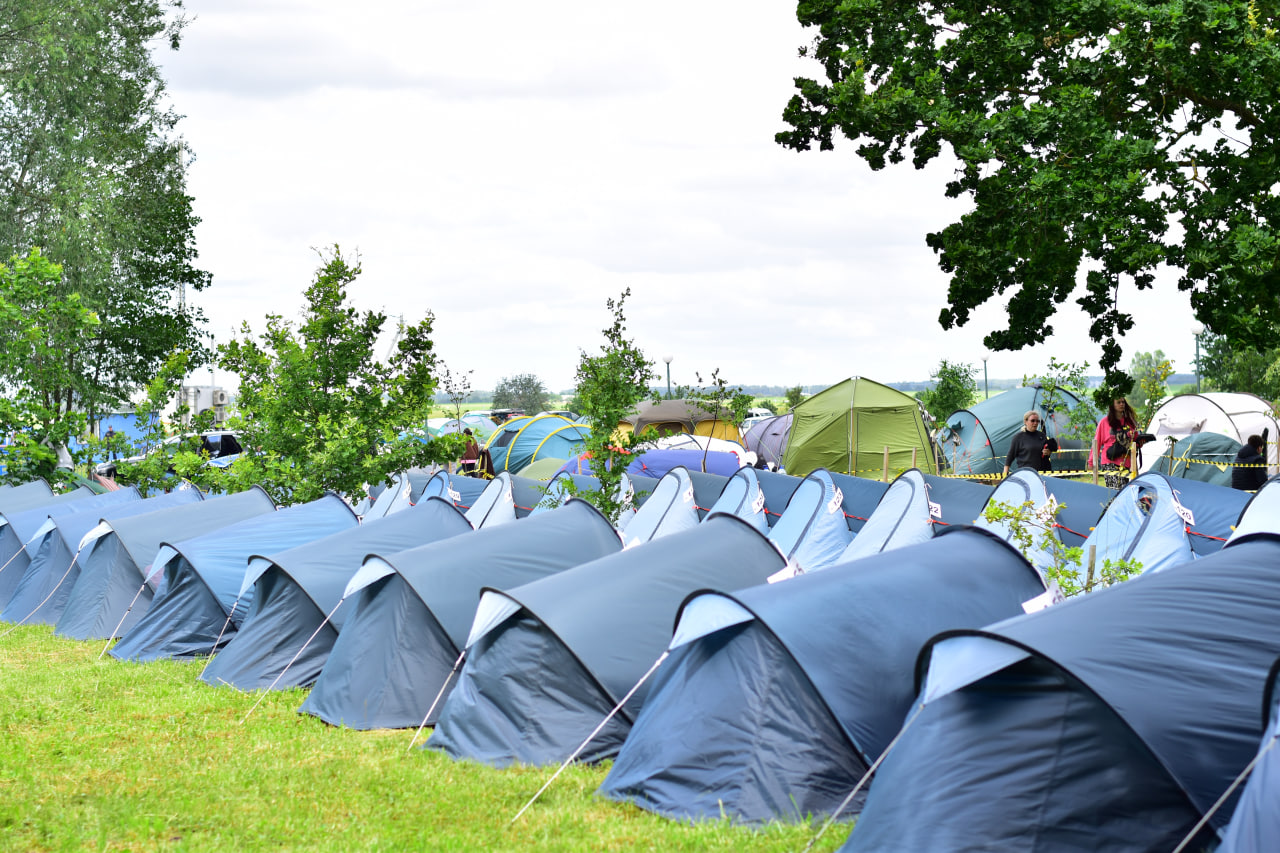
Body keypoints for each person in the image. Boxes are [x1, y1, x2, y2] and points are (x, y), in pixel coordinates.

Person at [1089, 397, 1141, 489]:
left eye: (1123, 402)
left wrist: (1140, 443)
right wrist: (1091, 462)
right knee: (1115, 490)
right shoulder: (1104, 422)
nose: (1121, 404)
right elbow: (1097, 443)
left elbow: (1136, 441)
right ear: (1112, 405)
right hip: (1110, 462)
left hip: (1126, 462)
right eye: (1118, 402)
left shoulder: (1130, 422)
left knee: (1123, 491)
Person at [1003, 411, 1053, 477]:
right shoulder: (1018, 437)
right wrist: (1005, 474)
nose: (1035, 423)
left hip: (1043, 473)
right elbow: (1010, 456)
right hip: (1026, 474)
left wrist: (1048, 452)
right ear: (1025, 421)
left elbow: (1047, 453)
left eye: (1037, 421)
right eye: (1032, 421)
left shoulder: (1042, 435)